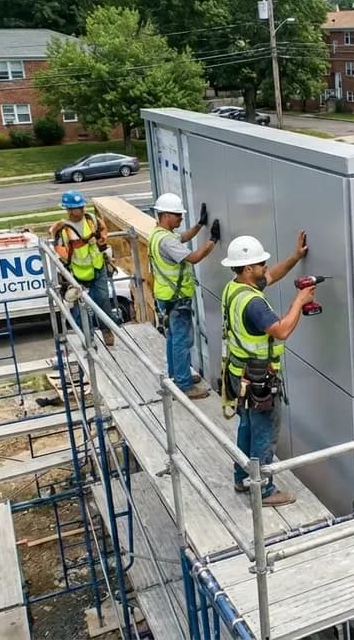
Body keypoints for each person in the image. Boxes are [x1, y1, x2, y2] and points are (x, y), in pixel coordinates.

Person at [220, 233, 313, 506]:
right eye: (260, 264)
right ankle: (264, 491)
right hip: (259, 378)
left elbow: (272, 275)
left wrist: (296, 257)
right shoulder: (255, 304)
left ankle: (242, 476)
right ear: (248, 268)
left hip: (240, 374)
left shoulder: (235, 288)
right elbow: (282, 330)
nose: (264, 268)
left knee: (247, 426)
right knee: (264, 432)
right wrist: (299, 301)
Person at [148, 193, 220, 399]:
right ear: (165, 215)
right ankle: (183, 384)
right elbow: (194, 257)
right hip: (176, 297)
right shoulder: (167, 242)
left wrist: (199, 225)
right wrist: (213, 240)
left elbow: (183, 238)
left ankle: (176, 374)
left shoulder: (159, 234)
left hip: (166, 295)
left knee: (173, 337)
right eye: (178, 215)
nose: (180, 219)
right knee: (181, 339)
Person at [51, 190, 116, 347]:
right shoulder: (63, 229)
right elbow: (60, 251)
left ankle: (106, 330)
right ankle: (88, 338)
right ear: (68, 209)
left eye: (81, 207)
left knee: (103, 301)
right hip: (78, 274)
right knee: (81, 309)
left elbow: (103, 232)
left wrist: (101, 242)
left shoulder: (92, 220)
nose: (80, 210)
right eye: (77, 207)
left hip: (97, 268)